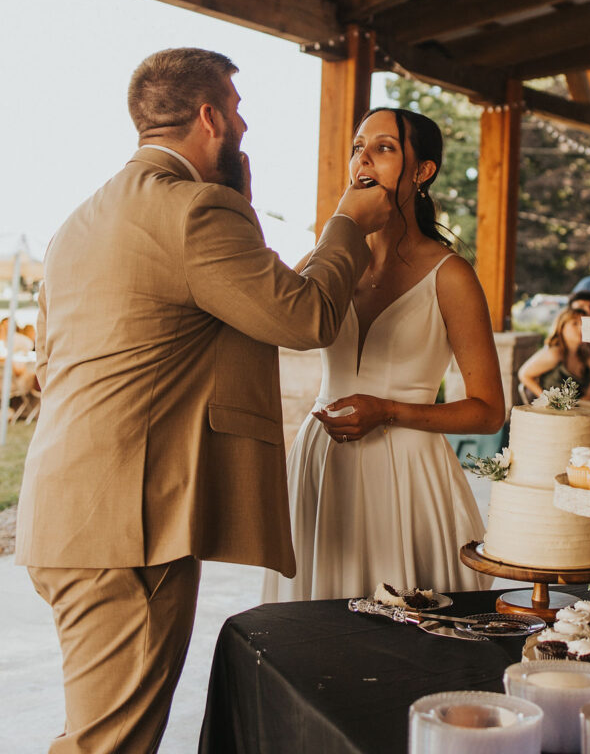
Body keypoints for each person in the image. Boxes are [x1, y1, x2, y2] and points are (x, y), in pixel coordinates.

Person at [15, 47, 390, 754]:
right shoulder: (193, 210)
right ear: (212, 116)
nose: (243, 125)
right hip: (130, 533)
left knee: (93, 735)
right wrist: (348, 222)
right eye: (238, 110)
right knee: (110, 746)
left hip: (65, 517)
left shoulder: (81, 221)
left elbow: (51, 364)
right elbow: (303, 317)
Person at [262, 107, 506, 602]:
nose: (363, 160)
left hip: (409, 477)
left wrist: (389, 411)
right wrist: (339, 228)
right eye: (357, 147)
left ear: (422, 172)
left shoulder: (451, 275)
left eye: (384, 148)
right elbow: (278, 326)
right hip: (322, 463)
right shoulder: (323, 261)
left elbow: (488, 410)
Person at [518, 307, 590, 401]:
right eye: (575, 323)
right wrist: (549, 400)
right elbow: (524, 374)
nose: (581, 328)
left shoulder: (587, 356)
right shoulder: (555, 354)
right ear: (561, 327)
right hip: (552, 412)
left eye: (584, 324)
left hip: (577, 411)